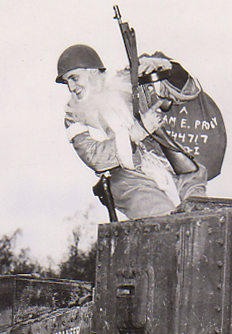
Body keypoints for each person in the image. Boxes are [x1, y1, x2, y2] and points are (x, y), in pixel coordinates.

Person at [57, 44, 214, 220]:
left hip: (167, 164)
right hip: (127, 180)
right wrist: (136, 133)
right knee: (167, 222)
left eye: (74, 78)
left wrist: (163, 66)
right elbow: (95, 157)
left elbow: (189, 91)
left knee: (202, 215)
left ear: (92, 71)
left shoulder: (127, 81)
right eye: (67, 82)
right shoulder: (73, 116)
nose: (71, 87)